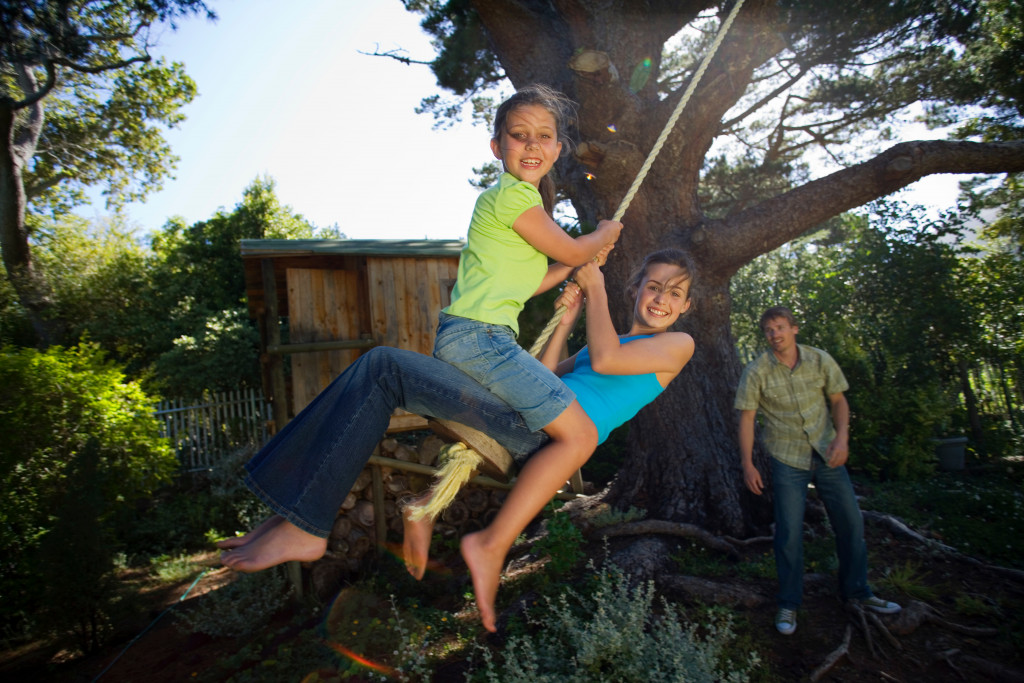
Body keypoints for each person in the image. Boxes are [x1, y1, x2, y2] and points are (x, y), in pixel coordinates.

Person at [220, 248, 696, 633]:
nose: (662, 298)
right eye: (653, 286)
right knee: (379, 368)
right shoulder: (602, 341)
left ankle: (308, 524)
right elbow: (546, 376)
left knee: (386, 367)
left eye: (675, 293)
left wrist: (595, 289)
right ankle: (294, 515)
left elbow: (610, 360)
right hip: (527, 411)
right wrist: (568, 322)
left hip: (539, 433)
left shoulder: (678, 345)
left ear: (686, 307)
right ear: (636, 288)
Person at [433, 83, 622, 505]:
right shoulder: (513, 196)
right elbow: (573, 247)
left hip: (470, 337)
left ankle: (487, 433)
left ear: (557, 148)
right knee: (579, 432)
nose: (532, 144)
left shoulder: (515, 204)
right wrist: (603, 233)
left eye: (544, 136)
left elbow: (529, 284)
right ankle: (498, 534)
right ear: (497, 146)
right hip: (481, 339)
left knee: (549, 425)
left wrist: (576, 264)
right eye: (519, 135)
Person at [734, 306, 901, 636]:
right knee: (789, 534)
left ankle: (858, 592)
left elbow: (838, 401)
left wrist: (842, 438)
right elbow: (747, 419)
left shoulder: (819, 359)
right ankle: (789, 603)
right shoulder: (756, 371)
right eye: (768, 330)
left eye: (780, 327)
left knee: (851, 523)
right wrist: (748, 463)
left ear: (794, 329)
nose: (774, 334)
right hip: (786, 459)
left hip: (828, 454)